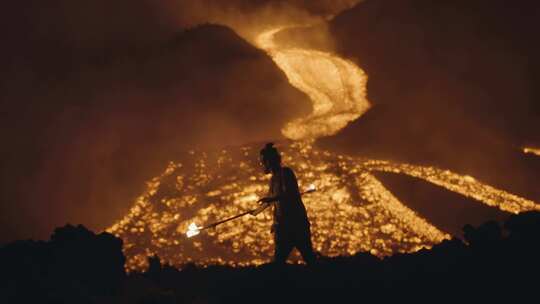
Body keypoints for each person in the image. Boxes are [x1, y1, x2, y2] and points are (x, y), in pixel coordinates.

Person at [257, 143, 316, 265]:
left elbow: (287, 194)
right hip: (283, 227)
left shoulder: (286, 173)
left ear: (269, 161)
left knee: (308, 257)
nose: (262, 164)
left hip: (295, 225)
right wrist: (259, 211)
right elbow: (273, 201)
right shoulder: (273, 179)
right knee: (284, 260)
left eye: (263, 161)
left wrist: (270, 200)